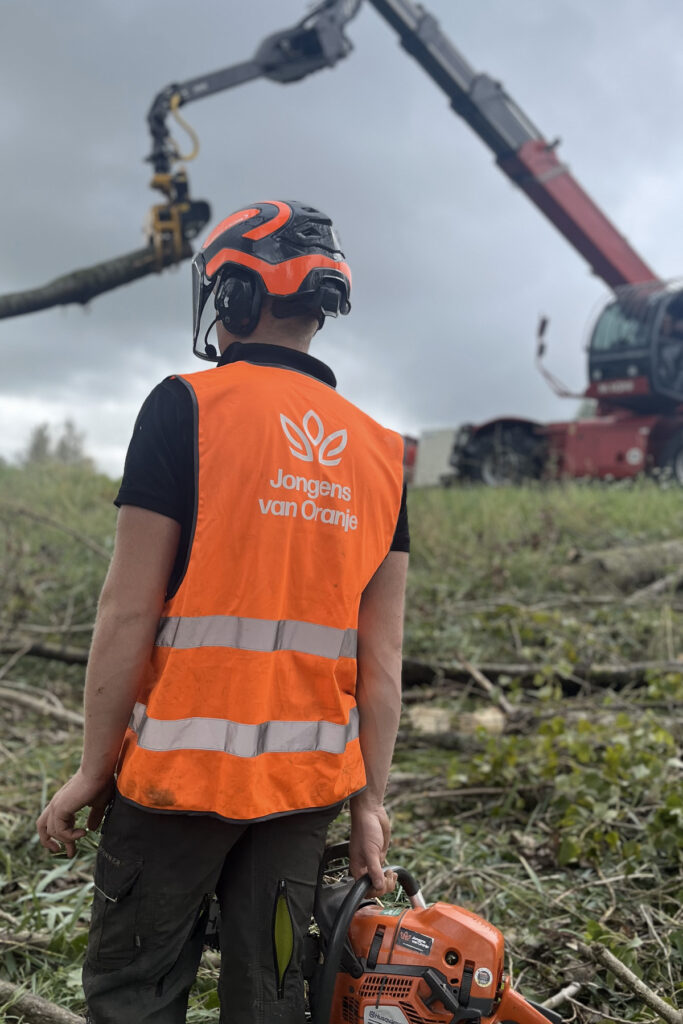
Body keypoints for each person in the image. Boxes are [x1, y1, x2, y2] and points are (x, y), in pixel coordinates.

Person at [36, 200, 409, 1024]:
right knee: (272, 998)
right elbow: (380, 665)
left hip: (175, 785)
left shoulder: (184, 407)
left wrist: (96, 768)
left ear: (234, 297)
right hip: (301, 796)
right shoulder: (384, 454)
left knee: (135, 994)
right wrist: (368, 803)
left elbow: (127, 611)